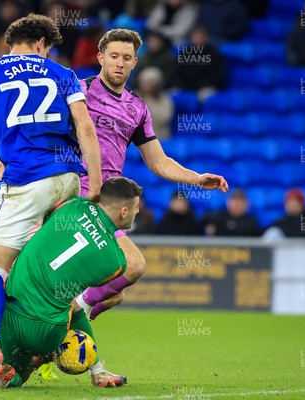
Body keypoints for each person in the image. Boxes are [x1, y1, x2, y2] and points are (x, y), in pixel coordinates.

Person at [0, 14, 102, 387]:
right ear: (44, 42)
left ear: (11, 41)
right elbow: (85, 128)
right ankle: (94, 365)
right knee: (55, 278)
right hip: (67, 180)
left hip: (28, 181)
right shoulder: (64, 74)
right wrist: (92, 185)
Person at [73, 28, 228, 324]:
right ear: (100, 57)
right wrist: (7, 154)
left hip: (105, 202)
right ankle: (71, 316)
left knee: (112, 289)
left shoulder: (137, 109)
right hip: (74, 195)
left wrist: (196, 179)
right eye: (114, 56)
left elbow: (158, 162)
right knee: (131, 266)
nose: (120, 62)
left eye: (127, 58)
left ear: (135, 63)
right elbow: (40, 124)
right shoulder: (78, 91)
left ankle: (63, 333)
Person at [0, 177, 141, 389]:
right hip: (48, 332)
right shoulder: (116, 262)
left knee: (2, 279)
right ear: (124, 212)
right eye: (136, 207)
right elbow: (87, 288)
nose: (137, 212)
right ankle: (96, 371)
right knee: (70, 307)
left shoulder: (71, 205)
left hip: (9, 312)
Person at [176, 25, 225, 101]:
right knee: (172, 93)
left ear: (206, 38)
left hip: (206, 87)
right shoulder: (185, 54)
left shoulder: (215, 55)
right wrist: (183, 84)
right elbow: (177, 74)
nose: (199, 39)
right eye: (197, 36)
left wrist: (197, 85)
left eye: (202, 36)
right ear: (192, 38)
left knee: (204, 96)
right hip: (187, 86)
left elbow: (216, 78)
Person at [136, 67, 173, 139]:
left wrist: (149, 100)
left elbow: (163, 119)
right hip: (137, 138)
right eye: (143, 82)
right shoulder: (134, 97)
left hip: (159, 136)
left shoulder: (164, 99)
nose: (145, 86)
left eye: (148, 83)